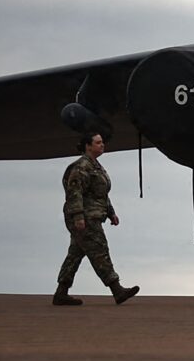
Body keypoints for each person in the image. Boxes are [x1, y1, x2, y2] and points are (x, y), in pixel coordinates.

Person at [52, 129, 138, 306]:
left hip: (93, 215)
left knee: (75, 254)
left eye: (102, 142)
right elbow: (74, 193)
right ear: (88, 146)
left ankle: (61, 292)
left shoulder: (96, 166)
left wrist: (111, 212)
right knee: (100, 250)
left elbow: (101, 194)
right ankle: (117, 289)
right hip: (85, 217)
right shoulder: (81, 167)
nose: (102, 145)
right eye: (98, 142)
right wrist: (78, 216)